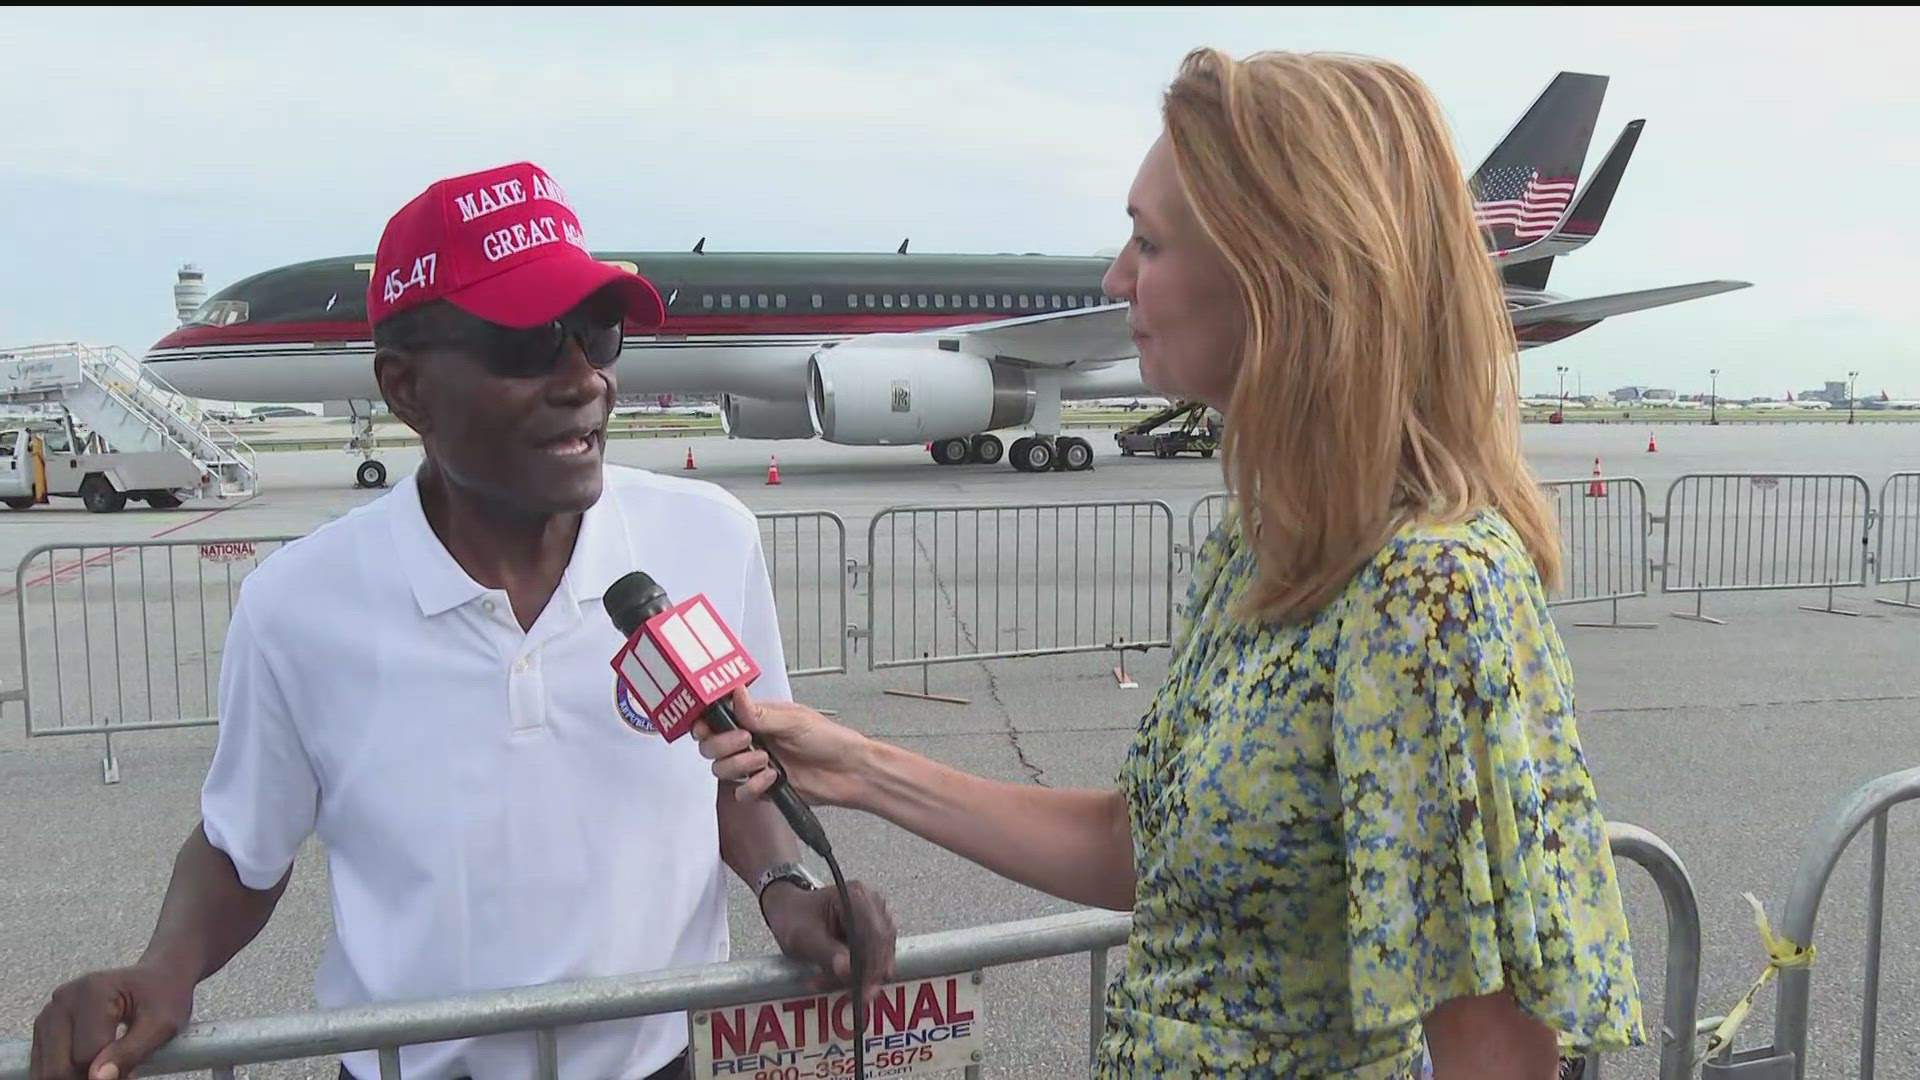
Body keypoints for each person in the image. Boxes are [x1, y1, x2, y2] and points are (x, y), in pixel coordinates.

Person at [696, 48, 1642, 1079]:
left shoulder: (1431, 590)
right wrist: (860, 766)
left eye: (1147, 242)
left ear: (1281, 269)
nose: (1115, 278)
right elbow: (1143, 853)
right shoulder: (1265, 545)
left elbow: (1494, 1047)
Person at [29, 161, 896, 1080]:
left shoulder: (707, 539)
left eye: (597, 334)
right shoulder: (297, 605)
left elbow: (736, 768)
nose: (584, 380)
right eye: (526, 343)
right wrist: (165, 970)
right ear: (406, 390)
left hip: (654, 1060)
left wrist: (785, 891)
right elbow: (241, 847)